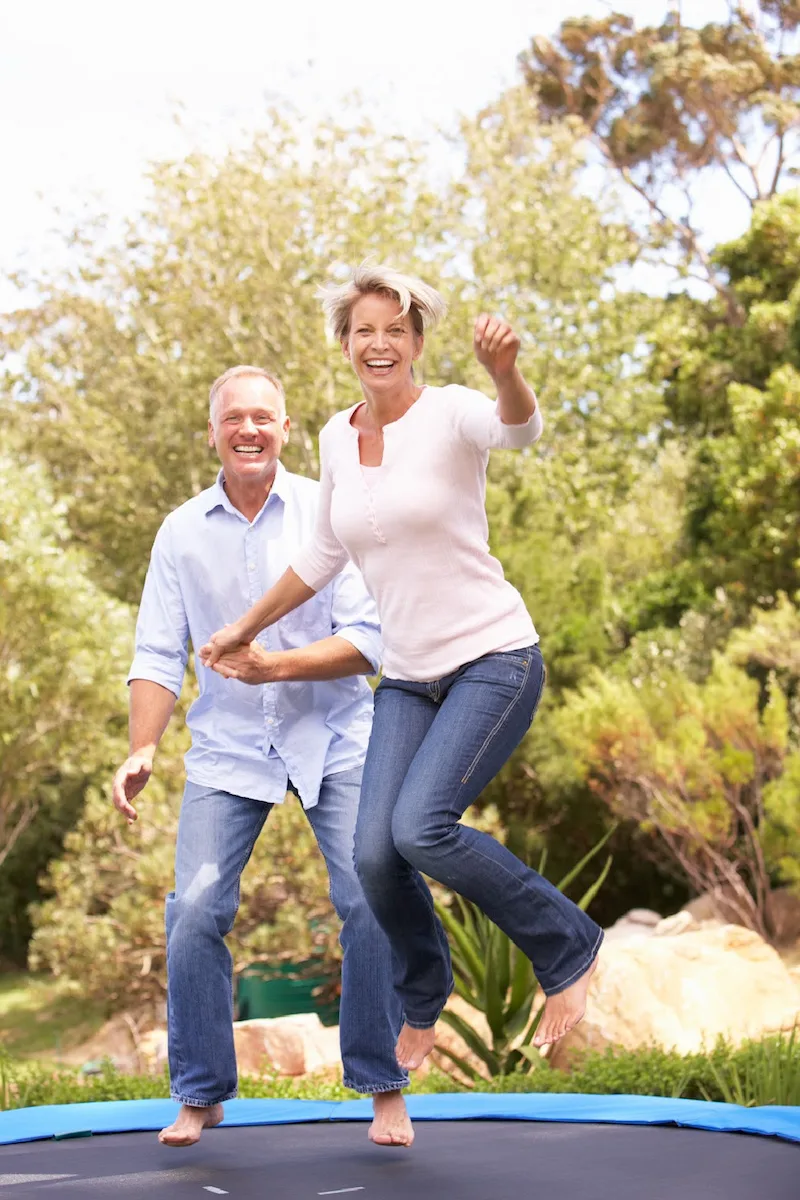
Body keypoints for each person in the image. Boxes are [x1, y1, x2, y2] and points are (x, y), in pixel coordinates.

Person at [200, 264, 604, 1071]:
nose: (378, 343)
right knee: (374, 854)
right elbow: (320, 554)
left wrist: (505, 373)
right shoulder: (334, 436)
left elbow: (519, 430)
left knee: (422, 828)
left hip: (493, 658)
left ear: (417, 342)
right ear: (345, 344)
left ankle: (568, 946)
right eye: (363, 331)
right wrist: (241, 630)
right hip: (411, 678)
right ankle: (426, 994)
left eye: (395, 330)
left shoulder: (454, 411)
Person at [112, 364, 416, 1150]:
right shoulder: (180, 532)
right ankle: (202, 1093)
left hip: (338, 737)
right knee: (193, 913)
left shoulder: (328, 509)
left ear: (284, 428)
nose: (248, 429)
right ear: (212, 432)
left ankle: (384, 1088)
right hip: (229, 747)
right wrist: (143, 745)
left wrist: (271, 664)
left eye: (262, 417)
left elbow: (367, 643)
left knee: (368, 897)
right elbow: (155, 651)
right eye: (232, 418)